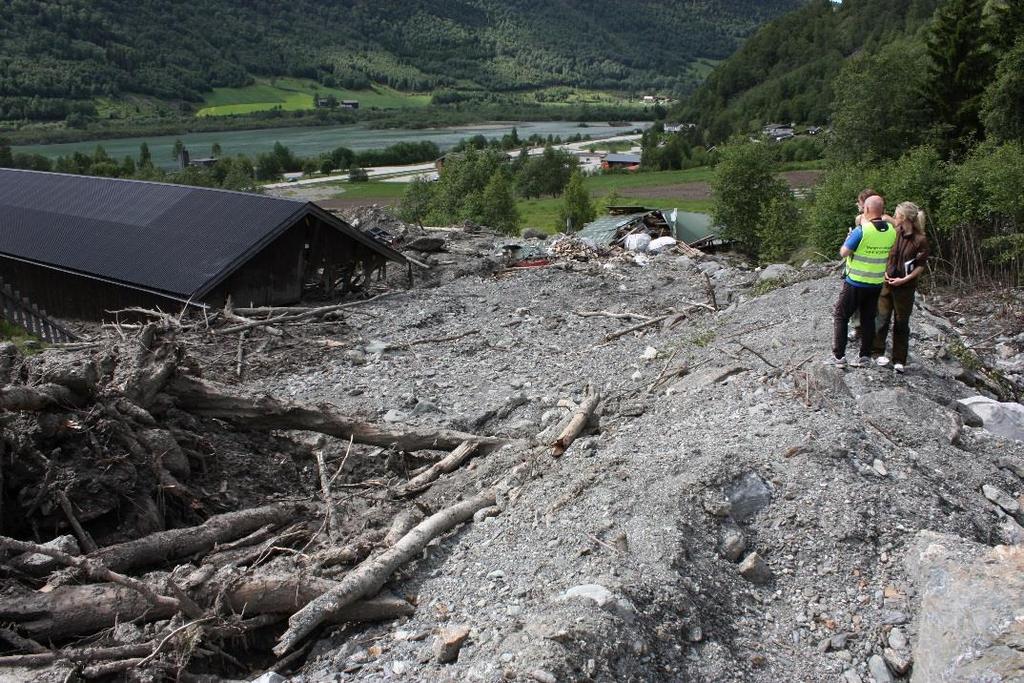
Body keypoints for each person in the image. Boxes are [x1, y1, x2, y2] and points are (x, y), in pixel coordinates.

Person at [828, 195, 898, 367]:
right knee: (868, 318)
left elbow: (844, 252)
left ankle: (839, 356)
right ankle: (864, 355)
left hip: (856, 282)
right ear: (882, 210)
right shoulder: (891, 231)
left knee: (841, 315)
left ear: (866, 209)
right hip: (875, 283)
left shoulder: (862, 230)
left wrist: (848, 239)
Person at [873, 201, 929, 373]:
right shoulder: (893, 233)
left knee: (901, 323)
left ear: (904, 217)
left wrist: (904, 280)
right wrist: (883, 273)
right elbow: (882, 253)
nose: (894, 217)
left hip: (905, 288)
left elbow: (920, 265)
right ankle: (877, 353)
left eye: (896, 215)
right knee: (881, 319)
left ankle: (899, 360)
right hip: (887, 284)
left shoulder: (920, 240)